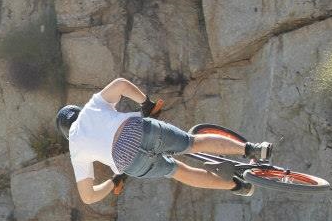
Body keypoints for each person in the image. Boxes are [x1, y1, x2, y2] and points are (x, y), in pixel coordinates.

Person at [56, 77, 270, 204]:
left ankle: (239, 187)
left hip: (129, 163)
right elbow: (120, 84)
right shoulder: (90, 110)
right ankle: (253, 149)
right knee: (191, 142)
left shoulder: (74, 147)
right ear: (78, 111)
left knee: (178, 171)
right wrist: (145, 104)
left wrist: (113, 182)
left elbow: (88, 197)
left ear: (67, 133)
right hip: (137, 131)